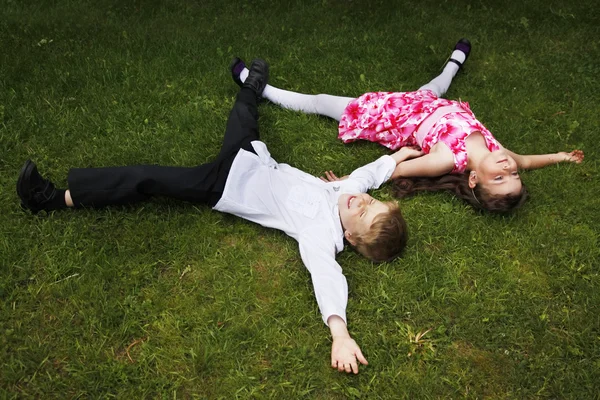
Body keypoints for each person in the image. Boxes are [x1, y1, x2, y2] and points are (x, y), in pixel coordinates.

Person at [17, 59, 416, 374]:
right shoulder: (348, 194)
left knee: (147, 178)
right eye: (370, 202)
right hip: (252, 157)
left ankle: (52, 198)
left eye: (363, 212)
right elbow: (366, 176)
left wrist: (340, 333)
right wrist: (395, 157)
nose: (360, 202)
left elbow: (327, 277)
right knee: (244, 114)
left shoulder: (320, 234)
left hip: (223, 185)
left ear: (349, 238)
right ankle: (252, 85)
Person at [230, 40, 584, 213]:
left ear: (474, 179)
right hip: (431, 103)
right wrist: (560, 157)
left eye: (499, 178)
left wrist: (347, 183)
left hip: (394, 115)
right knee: (438, 84)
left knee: (324, 102)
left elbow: (393, 169)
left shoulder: (445, 159)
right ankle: (455, 62)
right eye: (511, 176)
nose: (508, 169)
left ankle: (258, 87)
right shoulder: (501, 154)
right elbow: (526, 161)